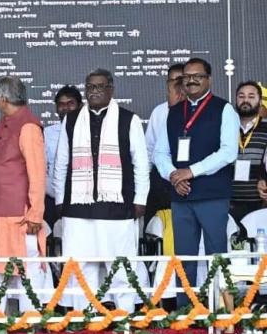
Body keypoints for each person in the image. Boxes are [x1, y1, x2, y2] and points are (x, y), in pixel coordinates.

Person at [54, 68, 149, 312]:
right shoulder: (71, 120)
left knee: (119, 266)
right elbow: (61, 162)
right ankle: (82, 316)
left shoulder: (129, 119)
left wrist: (140, 199)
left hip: (117, 206)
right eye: (90, 87)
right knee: (80, 266)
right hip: (78, 207)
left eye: (99, 87)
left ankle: (123, 315)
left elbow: (141, 163)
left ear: (110, 89)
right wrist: (60, 199)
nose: (93, 92)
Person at [154, 58, 238, 306]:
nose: (191, 80)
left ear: (209, 79)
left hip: (212, 196)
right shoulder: (173, 112)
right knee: (184, 259)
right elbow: (160, 153)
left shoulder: (224, 109)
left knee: (216, 257)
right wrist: (173, 175)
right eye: (187, 76)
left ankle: (221, 313)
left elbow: (228, 152)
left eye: (197, 76)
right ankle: (185, 314)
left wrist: (190, 171)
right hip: (181, 196)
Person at [0, 76, 46, 282]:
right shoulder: (4, 122)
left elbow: (37, 173)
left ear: (3, 99)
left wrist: (35, 214)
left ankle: (31, 306)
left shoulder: (28, 126)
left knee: (26, 270)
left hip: (19, 214)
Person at [144, 64, 186, 226]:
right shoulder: (159, 111)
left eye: (180, 80)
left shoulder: (200, 112)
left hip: (188, 177)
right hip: (161, 180)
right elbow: (150, 149)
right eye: (173, 81)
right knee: (157, 226)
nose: (177, 85)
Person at [44, 85, 82, 227]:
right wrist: (56, 193)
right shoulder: (47, 134)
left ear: (80, 106)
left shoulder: (90, 132)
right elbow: (41, 170)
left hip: (82, 199)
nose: (65, 108)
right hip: (52, 199)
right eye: (61, 104)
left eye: (70, 103)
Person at [230, 81, 267, 221]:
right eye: (241, 96)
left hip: (259, 204)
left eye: (251, 96)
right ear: (236, 100)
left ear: (260, 101)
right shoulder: (226, 127)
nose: (245, 100)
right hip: (228, 203)